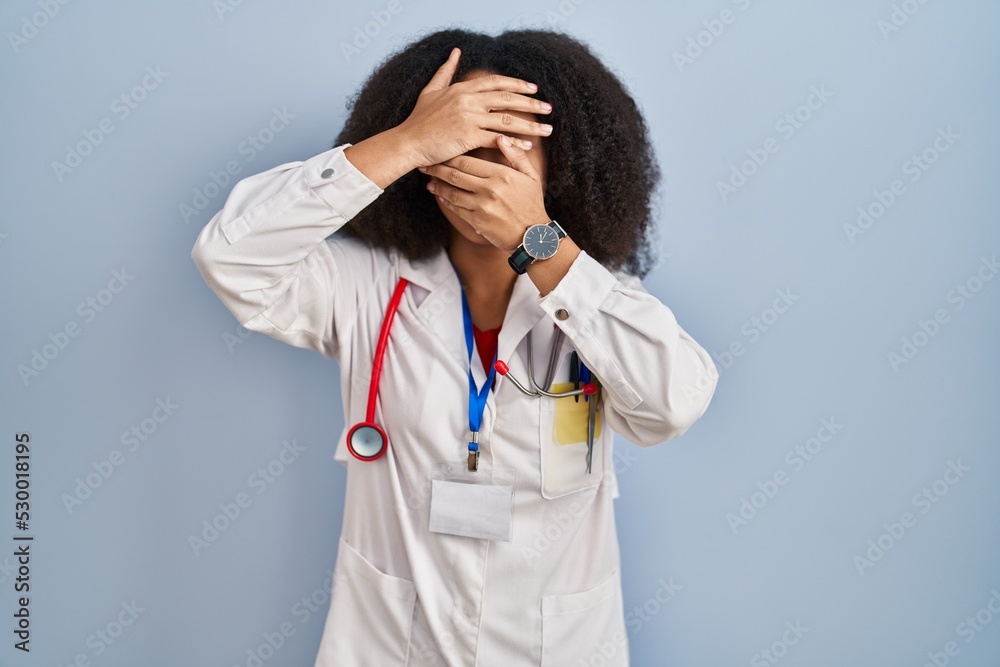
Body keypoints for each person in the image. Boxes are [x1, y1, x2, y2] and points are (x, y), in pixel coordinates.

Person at [191, 27, 718, 667]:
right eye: (465, 136)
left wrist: (539, 240)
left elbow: (672, 405)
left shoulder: (599, 300)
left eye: (515, 138)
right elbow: (232, 257)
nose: (488, 160)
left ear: (568, 159)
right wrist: (405, 140)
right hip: (390, 645)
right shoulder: (366, 287)